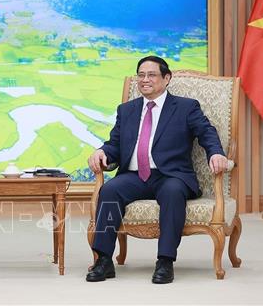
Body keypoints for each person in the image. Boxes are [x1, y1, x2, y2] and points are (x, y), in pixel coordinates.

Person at [86, 56, 228, 284]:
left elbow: (206, 132)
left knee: (172, 191)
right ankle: (103, 260)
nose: (145, 80)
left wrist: (216, 153)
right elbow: (115, 144)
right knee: (110, 190)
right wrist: (102, 151)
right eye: (141, 75)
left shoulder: (185, 107)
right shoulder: (127, 110)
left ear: (166, 78)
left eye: (151, 75)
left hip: (171, 175)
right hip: (134, 176)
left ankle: (165, 261)